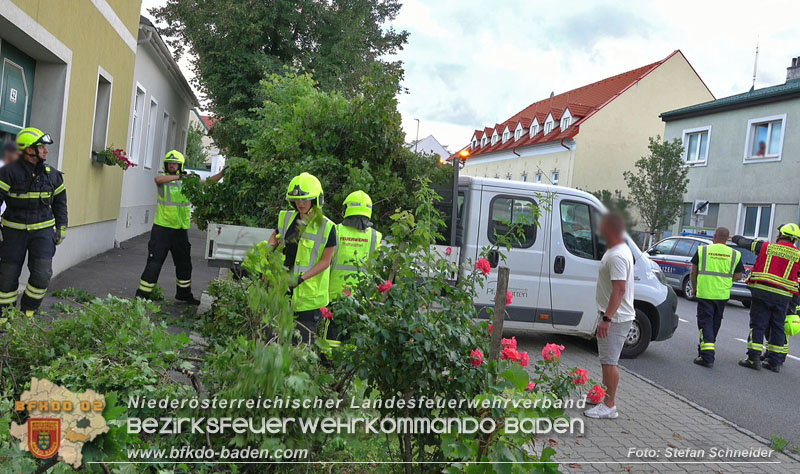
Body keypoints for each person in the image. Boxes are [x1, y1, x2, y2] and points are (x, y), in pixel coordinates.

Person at [135, 150, 223, 304]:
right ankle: (142, 295)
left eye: (175, 164)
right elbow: (157, 179)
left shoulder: (188, 182)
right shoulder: (165, 180)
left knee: (184, 264)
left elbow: (209, 181)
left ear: (180, 165)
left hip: (180, 230)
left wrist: (223, 173)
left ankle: (183, 294)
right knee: (154, 263)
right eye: (169, 163)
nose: (172, 166)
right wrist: (179, 177)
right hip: (162, 229)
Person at [0, 128, 67, 316]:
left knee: (42, 275)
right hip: (13, 233)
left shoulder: (51, 174)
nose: (46, 151)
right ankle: (5, 316)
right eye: (42, 147)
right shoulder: (8, 172)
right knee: (6, 276)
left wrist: (62, 226)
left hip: (43, 233)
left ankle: (28, 311)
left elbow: (60, 202)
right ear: (29, 150)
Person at [267, 172, 336, 343]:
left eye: (305, 199)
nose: (300, 203)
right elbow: (274, 237)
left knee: (301, 347)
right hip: (282, 291)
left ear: (316, 199)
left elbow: (326, 262)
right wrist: (267, 257)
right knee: (273, 341)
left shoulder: (327, 227)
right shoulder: (287, 217)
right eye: (297, 200)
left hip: (308, 299)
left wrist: (301, 279)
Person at [585, 213, 635, 420]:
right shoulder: (617, 250)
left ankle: (609, 406)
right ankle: (603, 397)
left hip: (616, 318)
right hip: (613, 316)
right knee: (606, 360)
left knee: (609, 362)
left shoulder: (617, 256)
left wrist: (607, 318)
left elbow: (619, 290)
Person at [732, 223, 800, 372]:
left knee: (758, 325)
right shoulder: (798, 255)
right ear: (794, 240)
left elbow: (746, 243)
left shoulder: (766, 247)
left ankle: (753, 359)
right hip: (783, 297)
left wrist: (735, 237)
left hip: (762, 293)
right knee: (777, 328)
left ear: (781, 235)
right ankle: (774, 362)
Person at [326, 190, 382, 344]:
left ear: (347, 209)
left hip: (334, 296)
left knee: (332, 339)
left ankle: (329, 365)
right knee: (355, 341)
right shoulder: (375, 237)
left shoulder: (336, 231)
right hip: (362, 298)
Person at [689, 227, 743, 368]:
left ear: (714, 236)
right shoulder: (735, 254)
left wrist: (694, 287)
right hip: (722, 294)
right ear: (727, 239)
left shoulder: (703, 250)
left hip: (706, 292)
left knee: (705, 322)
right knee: (715, 323)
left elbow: (693, 272)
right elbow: (738, 276)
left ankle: (707, 356)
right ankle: (708, 348)